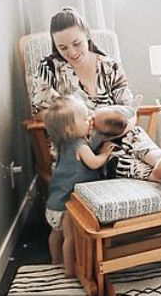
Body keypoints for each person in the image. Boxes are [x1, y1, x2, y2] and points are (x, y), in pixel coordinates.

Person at [30, 6, 161, 184]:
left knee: (133, 134)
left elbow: (128, 107)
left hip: (115, 129)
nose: (71, 52)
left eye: (77, 44)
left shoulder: (109, 66)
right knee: (111, 152)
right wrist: (80, 121)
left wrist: (123, 126)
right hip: (78, 139)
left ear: (87, 35)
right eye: (62, 47)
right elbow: (40, 112)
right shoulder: (49, 67)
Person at [43, 95, 114, 277]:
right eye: (84, 118)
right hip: (68, 206)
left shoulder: (62, 145)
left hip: (53, 205)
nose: (90, 119)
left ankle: (55, 261)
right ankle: (69, 270)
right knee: (70, 238)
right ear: (70, 128)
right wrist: (105, 154)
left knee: (55, 235)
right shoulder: (80, 146)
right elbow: (93, 163)